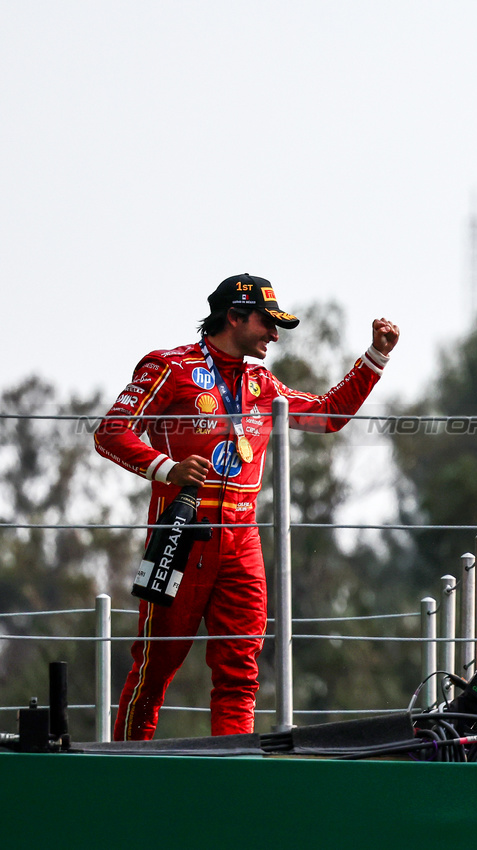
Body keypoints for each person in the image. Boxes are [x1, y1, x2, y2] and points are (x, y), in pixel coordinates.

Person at [94, 273, 400, 740]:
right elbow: (110, 432)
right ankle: (124, 776)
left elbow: (327, 416)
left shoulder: (262, 381)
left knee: (240, 674)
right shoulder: (168, 367)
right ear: (234, 317)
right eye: (267, 323)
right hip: (181, 532)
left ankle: (230, 779)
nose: (275, 335)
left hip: (244, 541)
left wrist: (375, 358)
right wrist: (166, 468)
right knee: (156, 667)